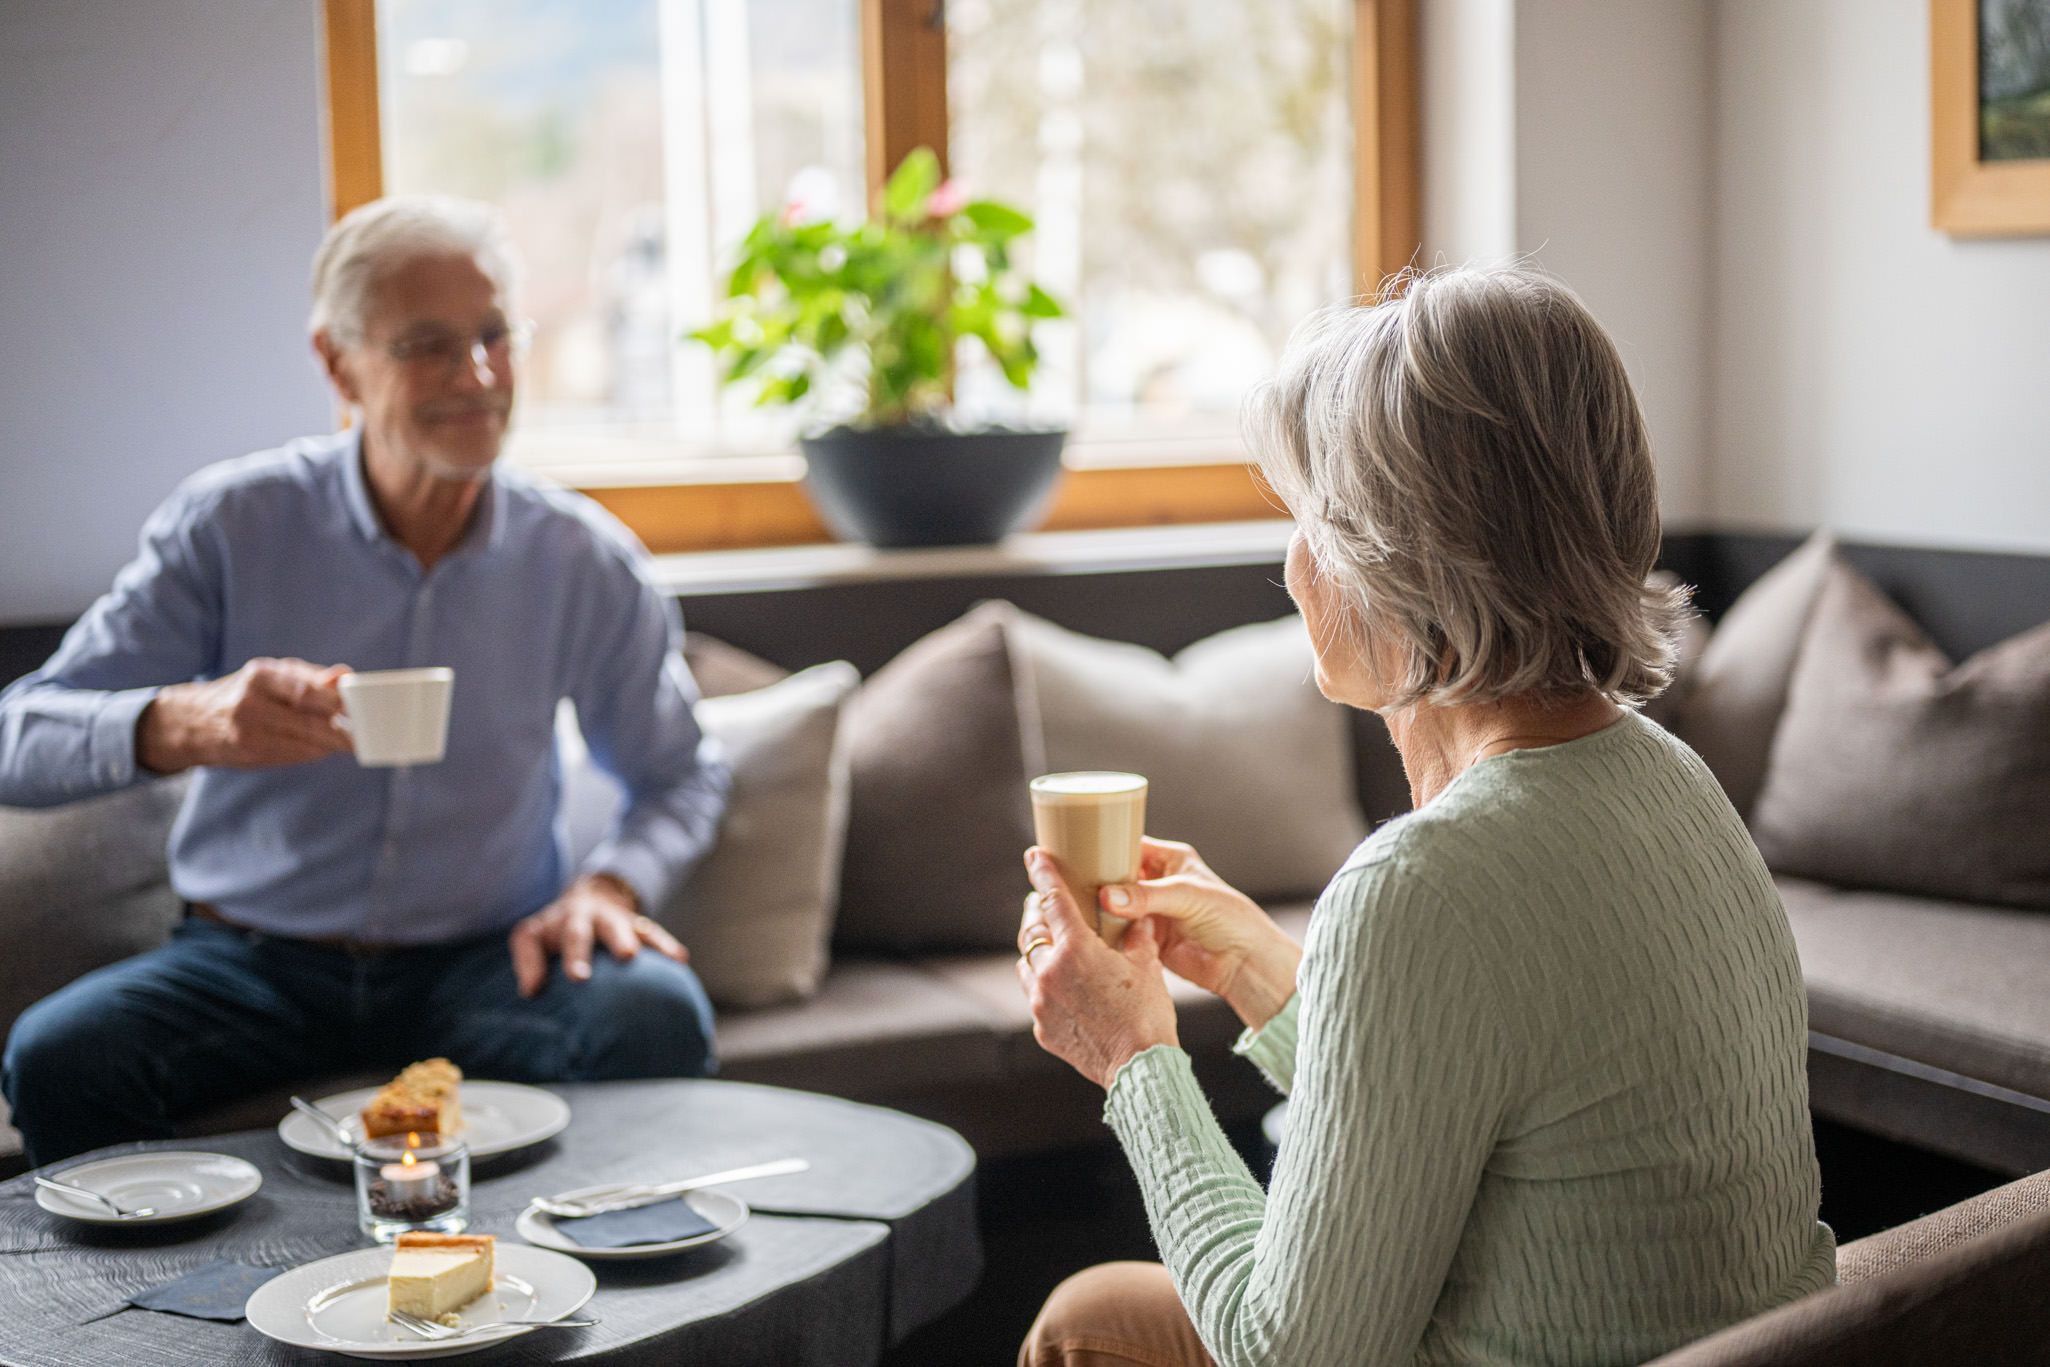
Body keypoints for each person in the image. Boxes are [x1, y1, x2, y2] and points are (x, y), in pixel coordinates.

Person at [1012, 266, 1836, 1367]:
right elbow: (1473, 1112)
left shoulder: (1419, 883)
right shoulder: (1670, 777)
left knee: (1084, 1325)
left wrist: (1132, 1057)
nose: (1292, 562)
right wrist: (1263, 969)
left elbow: (1290, 1350)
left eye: (1306, 519)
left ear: (1390, 562)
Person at [0, 196, 729, 1166]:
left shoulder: (582, 559)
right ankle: (153, 1314)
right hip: (249, 964)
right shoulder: (232, 525)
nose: (477, 375)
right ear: (338, 362)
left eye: (494, 336)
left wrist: (610, 881)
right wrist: (184, 721)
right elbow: (18, 737)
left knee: (655, 1015)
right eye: (428, 345)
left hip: (485, 961)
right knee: (60, 1057)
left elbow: (681, 771)